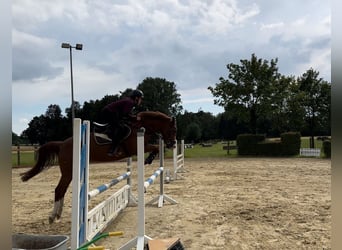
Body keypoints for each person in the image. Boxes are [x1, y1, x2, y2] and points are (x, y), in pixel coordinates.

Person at [101, 89, 144, 156]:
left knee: (123, 126)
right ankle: (112, 150)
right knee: (122, 129)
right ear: (136, 98)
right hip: (109, 113)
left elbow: (125, 115)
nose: (141, 101)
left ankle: (117, 148)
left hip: (111, 113)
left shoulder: (130, 102)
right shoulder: (130, 102)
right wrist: (135, 118)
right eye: (140, 99)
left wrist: (133, 118)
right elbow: (125, 114)